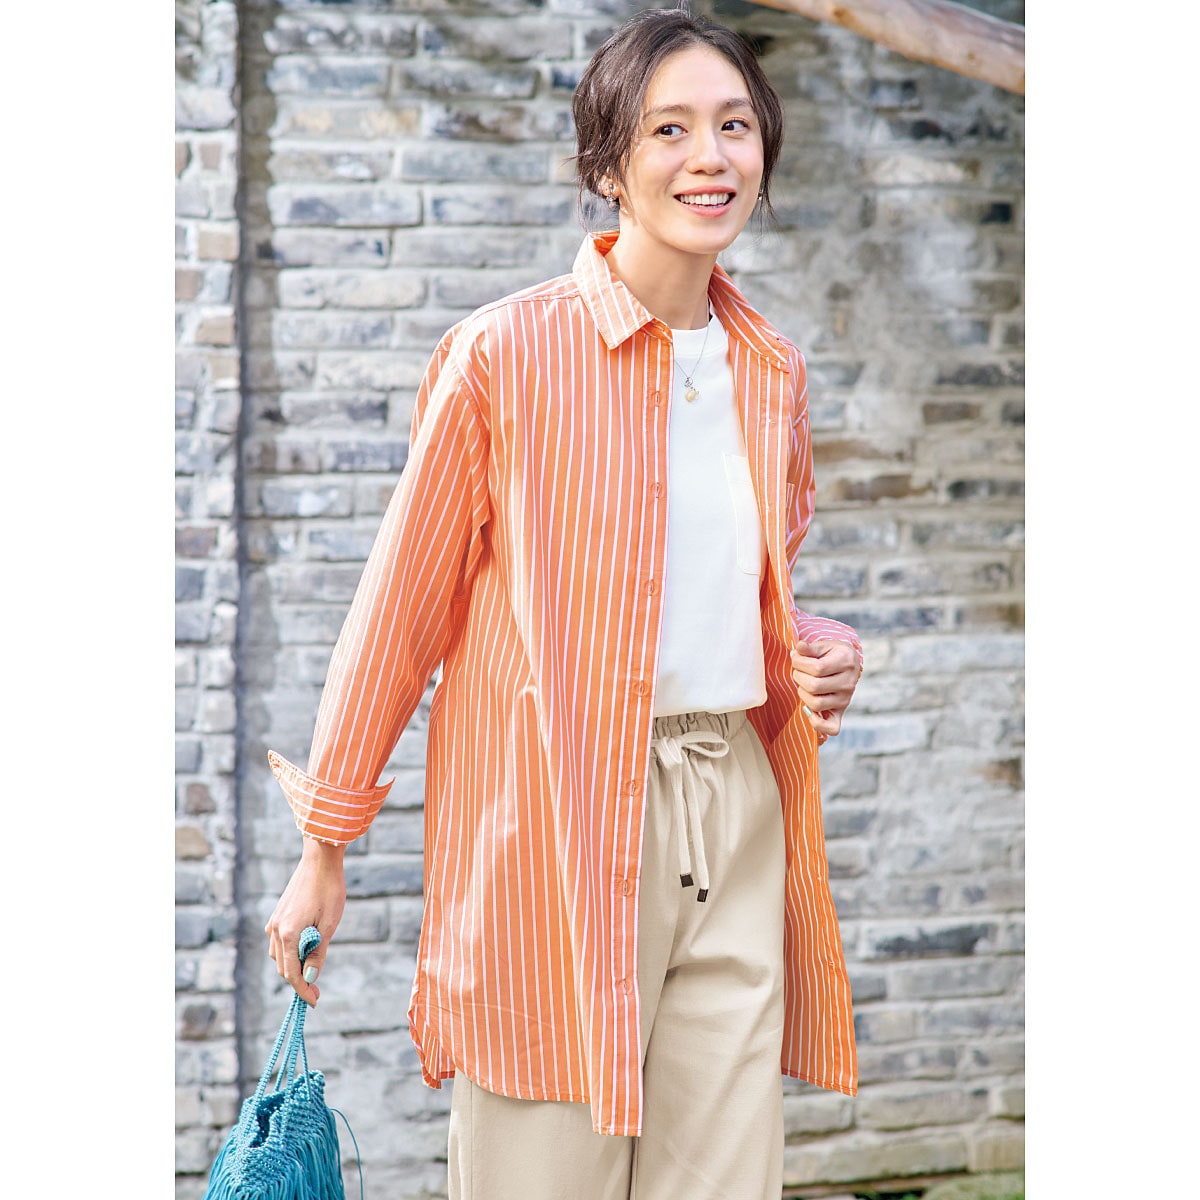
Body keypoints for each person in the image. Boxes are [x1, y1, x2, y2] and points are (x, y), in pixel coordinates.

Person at [265, 6, 865, 1197]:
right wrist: (324, 846)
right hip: (554, 813)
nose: (710, 156)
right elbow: (399, 614)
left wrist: (819, 645)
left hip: (734, 803)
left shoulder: (772, 370)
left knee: (722, 1181)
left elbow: (749, 591)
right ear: (607, 165)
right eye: (670, 130)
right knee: (540, 1175)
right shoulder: (504, 357)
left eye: (735, 126)